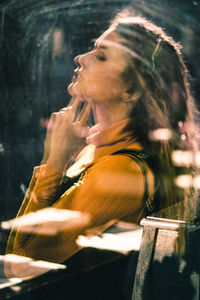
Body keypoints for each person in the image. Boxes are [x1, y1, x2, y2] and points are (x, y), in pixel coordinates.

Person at [6, 9, 199, 267]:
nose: (79, 58)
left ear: (130, 90)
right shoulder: (98, 151)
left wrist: (53, 162)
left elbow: (17, 262)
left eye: (100, 56)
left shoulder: (119, 170)